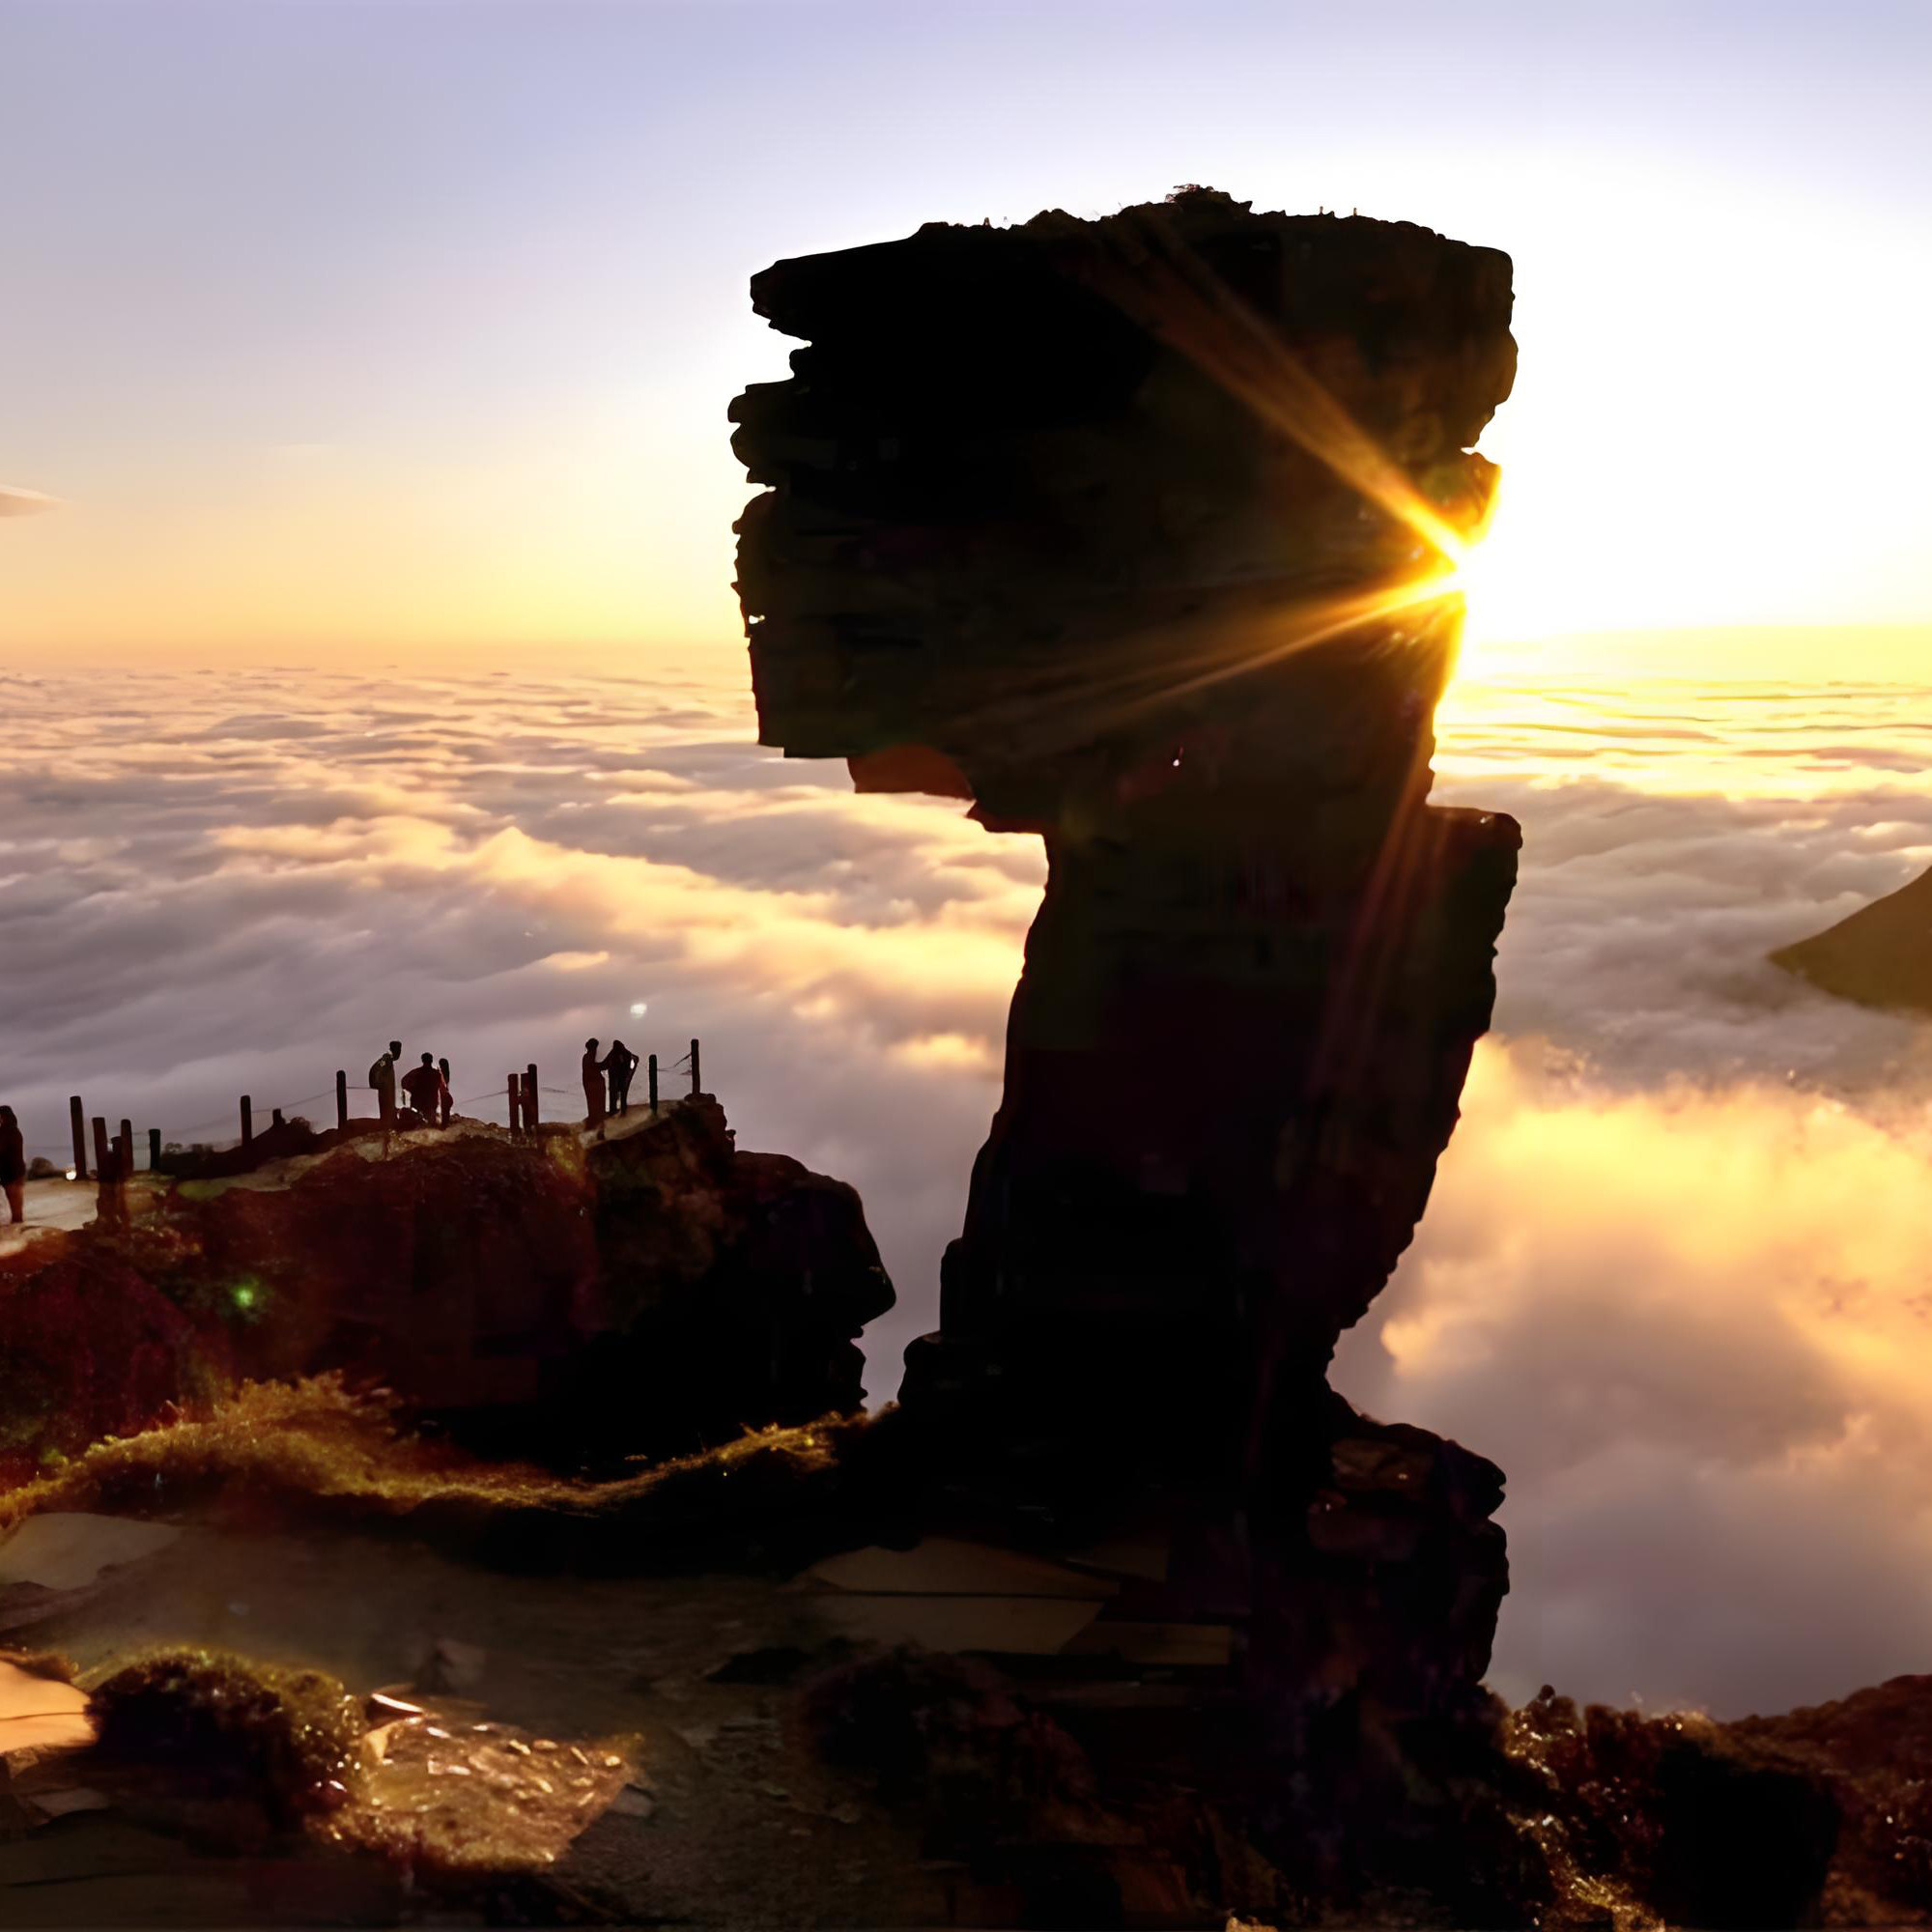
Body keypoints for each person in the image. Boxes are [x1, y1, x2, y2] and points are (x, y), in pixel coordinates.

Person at [400, 1051, 443, 1126]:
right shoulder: (436, 1074)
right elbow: (442, 1087)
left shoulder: (416, 1072)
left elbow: (404, 1081)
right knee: (429, 1124)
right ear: (431, 1060)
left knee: (419, 1123)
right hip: (428, 1103)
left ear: (422, 1060)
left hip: (420, 1102)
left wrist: (410, 1089)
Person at [368, 1039, 402, 1126]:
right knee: (387, 1120)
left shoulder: (389, 1060)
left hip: (388, 1094)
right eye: (399, 1050)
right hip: (385, 1095)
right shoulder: (386, 1059)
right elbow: (375, 1069)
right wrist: (376, 1084)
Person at [0, 1106, 24, 1225]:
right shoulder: (13, 1131)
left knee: (14, 1201)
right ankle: (17, 1221)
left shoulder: (8, 1132)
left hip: (12, 1173)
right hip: (14, 1172)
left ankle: (17, 1223)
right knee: (15, 1201)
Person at [603, 1037, 640, 1116]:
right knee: (623, 1094)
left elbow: (605, 1064)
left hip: (615, 1078)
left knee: (614, 1095)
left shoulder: (613, 1053)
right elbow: (634, 1059)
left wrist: (596, 1067)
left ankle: (613, 1111)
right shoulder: (626, 1053)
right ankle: (622, 1110)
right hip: (623, 1078)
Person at [581, 1038, 607, 1140]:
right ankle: (599, 1131)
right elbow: (596, 1068)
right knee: (598, 1108)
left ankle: (596, 1128)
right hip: (594, 1086)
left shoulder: (586, 1058)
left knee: (594, 1107)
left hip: (591, 1086)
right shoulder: (589, 1058)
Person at [438, 1057, 454, 1128]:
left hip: (444, 1098)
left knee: (444, 1114)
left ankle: (443, 1126)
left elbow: (443, 1085)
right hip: (446, 1097)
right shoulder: (446, 1074)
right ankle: (444, 1126)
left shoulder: (441, 1074)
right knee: (445, 1115)